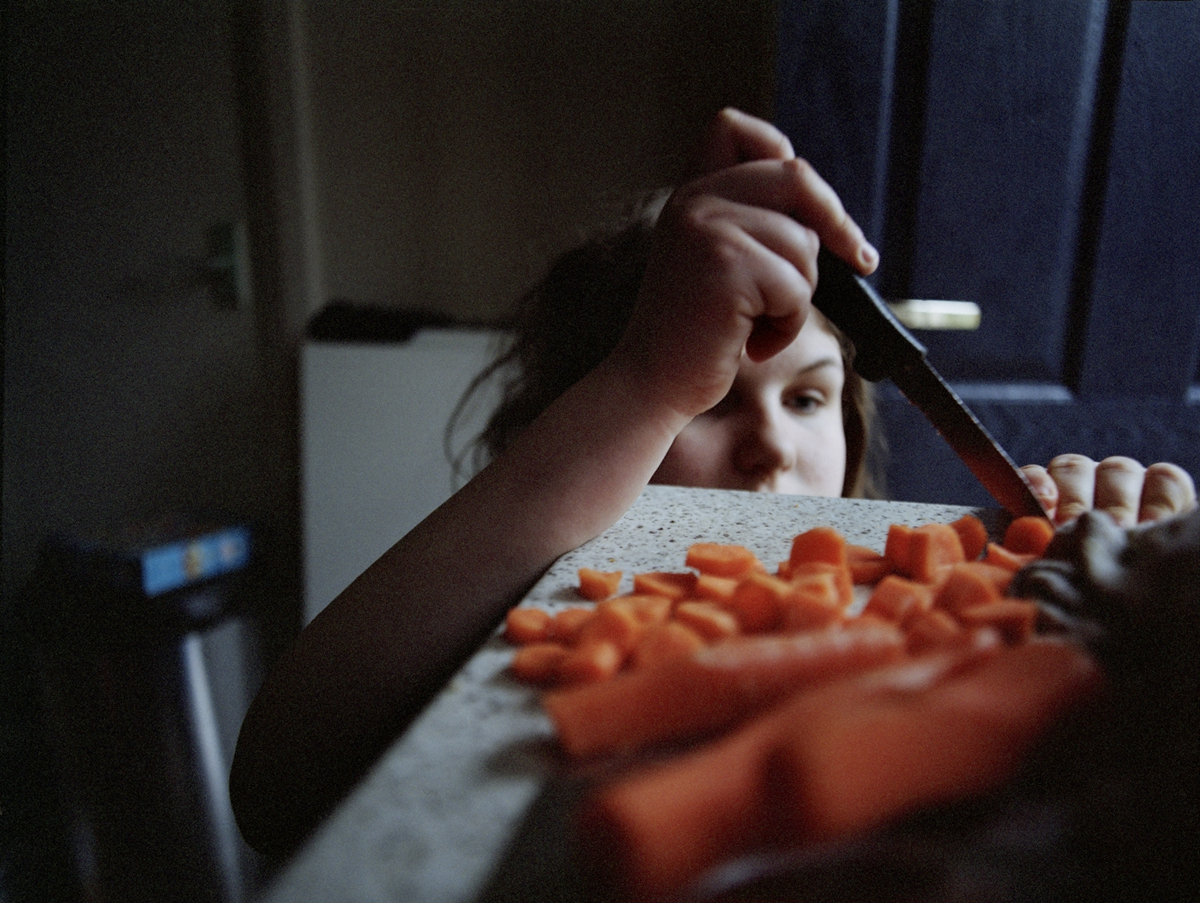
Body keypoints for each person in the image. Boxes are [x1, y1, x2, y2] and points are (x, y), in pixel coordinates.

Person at [230, 109, 1196, 858]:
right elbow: (278, 787)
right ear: (571, 427)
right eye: (709, 401)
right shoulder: (542, 591)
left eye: (812, 400)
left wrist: (1136, 581)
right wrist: (645, 385)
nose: (771, 446)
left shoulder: (925, 600)